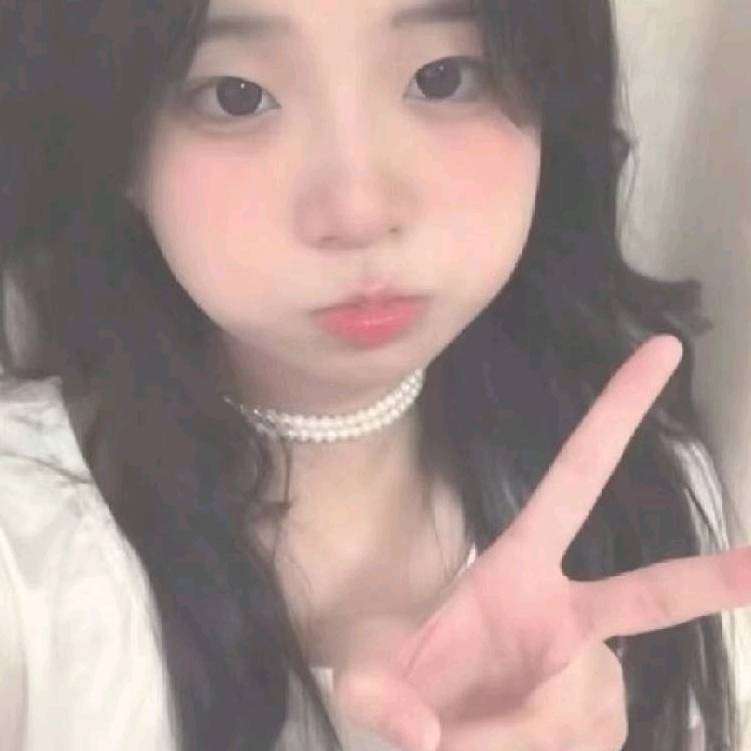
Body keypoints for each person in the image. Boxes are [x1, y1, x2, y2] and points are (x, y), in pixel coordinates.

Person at [0, 1, 749, 750]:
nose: (358, 211)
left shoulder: (647, 502)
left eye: (443, 76)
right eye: (236, 96)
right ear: (119, 144)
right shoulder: (25, 550)